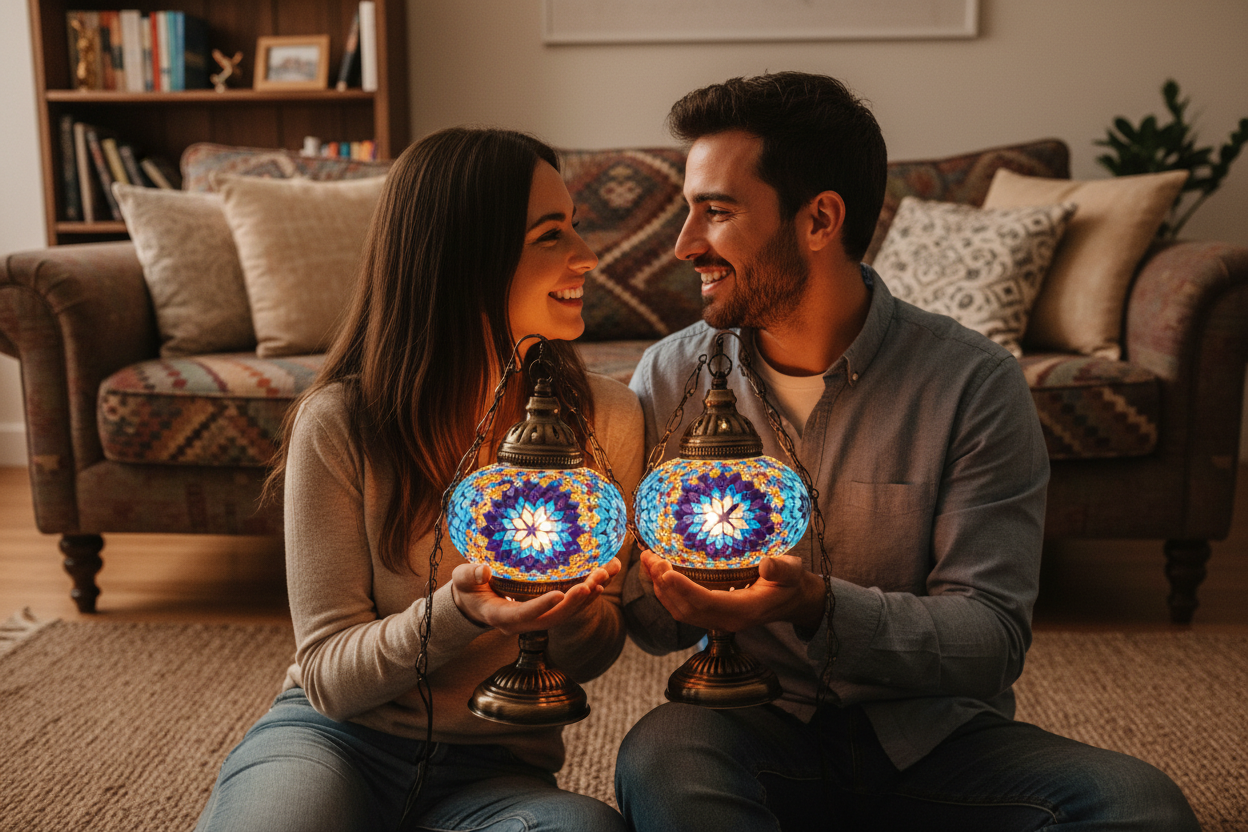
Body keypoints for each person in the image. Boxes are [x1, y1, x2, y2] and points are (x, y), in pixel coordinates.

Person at [614, 72, 1199, 831]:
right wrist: (659, 593)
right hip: (750, 725)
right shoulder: (670, 377)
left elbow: (989, 638)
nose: (684, 244)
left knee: (1138, 807)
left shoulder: (973, 383)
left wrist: (818, 605)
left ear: (820, 219)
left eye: (716, 212)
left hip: (936, 743)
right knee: (660, 761)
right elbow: (650, 624)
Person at [194, 127, 642, 832]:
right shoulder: (340, 422)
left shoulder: (608, 420)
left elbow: (594, 651)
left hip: (498, 772)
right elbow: (330, 680)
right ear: (466, 256)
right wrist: (459, 613)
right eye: (553, 235)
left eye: (576, 229)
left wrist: (581, 611)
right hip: (333, 742)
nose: (588, 257)